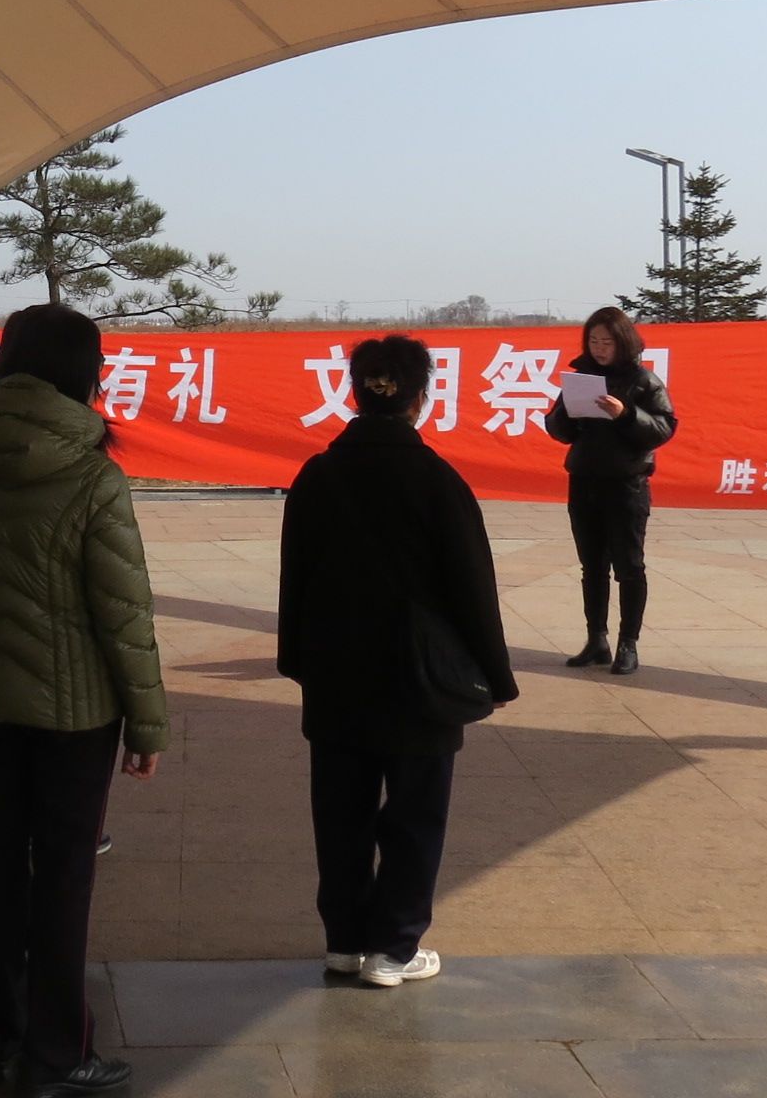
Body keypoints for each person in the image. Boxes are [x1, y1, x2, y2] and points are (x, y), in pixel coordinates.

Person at [0, 303, 168, 1096]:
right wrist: (147, 724)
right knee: (63, 880)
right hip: (76, 715)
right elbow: (124, 615)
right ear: (84, 373)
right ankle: (58, 1053)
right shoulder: (94, 476)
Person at [277, 334, 517, 992]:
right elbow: (473, 590)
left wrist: (298, 661)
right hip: (421, 679)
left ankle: (344, 941)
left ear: (356, 394)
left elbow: (295, 580)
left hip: (335, 674)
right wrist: (495, 677)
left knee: (341, 813)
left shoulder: (318, 475)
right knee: (415, 814)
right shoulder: (438, 480)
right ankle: (394, 947)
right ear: (420, 399)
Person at [542, 306, 677, 675]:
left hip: (626, 486)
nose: (599, 348)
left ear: (623, 342)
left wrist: (626, 415)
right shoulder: (580, 379)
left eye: (607, 342)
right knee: (592, 567)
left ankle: (627, 644)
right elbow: (557, 429)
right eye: (593, 341)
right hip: (584, 481)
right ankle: (596, 640)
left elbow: (664, 428)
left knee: (629, 567)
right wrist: (567, 414)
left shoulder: (644, 381)